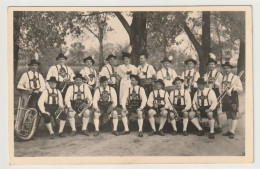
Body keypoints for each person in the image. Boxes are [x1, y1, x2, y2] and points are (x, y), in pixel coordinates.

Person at [221, 62, 243, 139]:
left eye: (228, 68)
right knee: (228, 114)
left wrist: (233, 88)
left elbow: (241, 88)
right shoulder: (223, 77)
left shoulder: (235, 77)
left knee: (233, 114)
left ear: (231, 69)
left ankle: (232, 131)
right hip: (225, 97)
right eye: (225, 68)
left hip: (233, 97)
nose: (226, 70)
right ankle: (229, 130)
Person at [204, 56, 223, 133]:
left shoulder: (218, 74)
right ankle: (213, 124)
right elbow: (205, 83)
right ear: (208, 66)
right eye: (209, 64)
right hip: (209, 91)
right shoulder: (207, 74)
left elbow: (221, 84)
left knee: (216, 108)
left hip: (216, 91)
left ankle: (219, 125)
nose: (211, 66)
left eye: (212, 64)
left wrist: (216, 84)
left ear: (215, 65)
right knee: (211, 107)